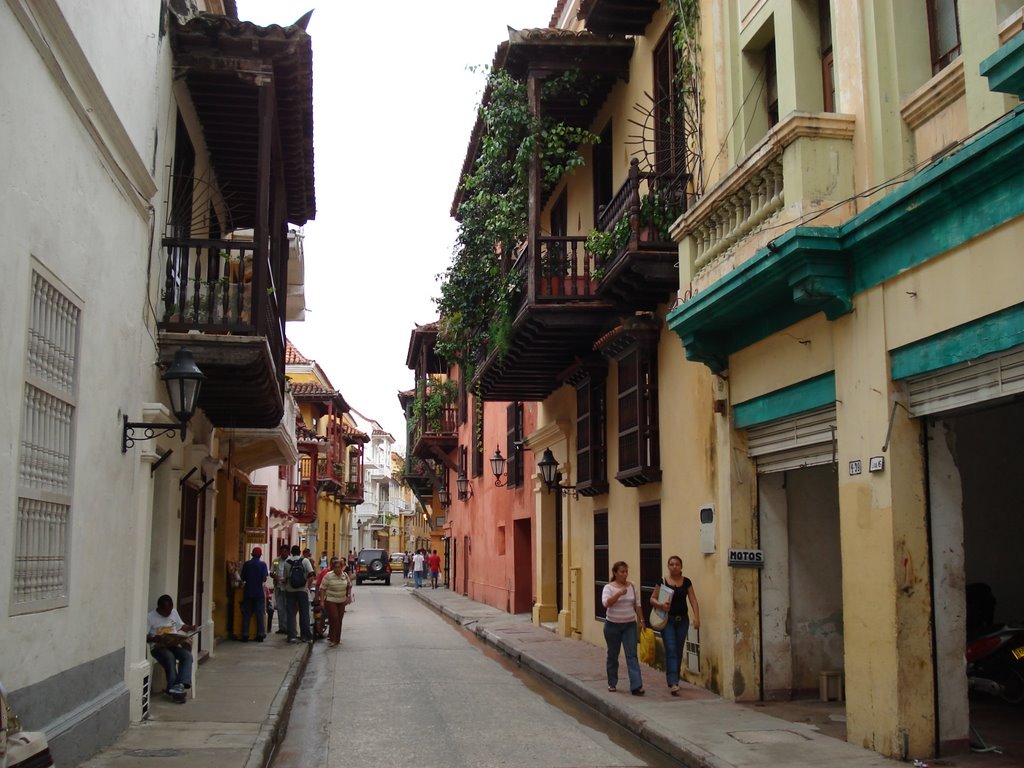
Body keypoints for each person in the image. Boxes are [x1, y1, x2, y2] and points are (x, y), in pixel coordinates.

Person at [650, 555, 701, 695]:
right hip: (668, 621)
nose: (674, 566)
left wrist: (697, 617)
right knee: (671, 649)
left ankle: (674, 678)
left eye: (677, 564)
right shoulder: (662, 582)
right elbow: (652, 599)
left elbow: (693, 600)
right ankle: (673, 682)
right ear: (668, 566)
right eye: (671, 564)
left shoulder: (686, 582)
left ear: (681, 566)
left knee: (678, 650)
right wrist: (660, 604)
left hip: (682, 620)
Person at [601, 561, 645, 696]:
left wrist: (641, 620)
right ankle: (612, 682)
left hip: (629, 625)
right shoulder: (608, 588)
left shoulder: (632, 586)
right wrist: (619, 593)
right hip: (612, 625)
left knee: (631, 655)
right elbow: (606, 603)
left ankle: (636, 685)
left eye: (626, 571)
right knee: (613, 655)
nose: (625, 574)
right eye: (622, 572)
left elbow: (637, 605)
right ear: (615, 573)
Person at [147, 594, 195, 701]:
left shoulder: (173, 612)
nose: (168, 613)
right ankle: (175, 691)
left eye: (170, 611)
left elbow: (181, 626)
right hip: (158, 647)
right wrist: (157, 639)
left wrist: (191, 628)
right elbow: (145, 637)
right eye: (166, 612)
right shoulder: (150, 617)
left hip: (173, 644)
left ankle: (179, 685)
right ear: (159, 608)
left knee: (187, 656)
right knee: (169, 657)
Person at [284, 545, 314, 644]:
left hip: (290, 591)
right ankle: (305, 636)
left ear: (291, 552)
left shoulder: (287, 563)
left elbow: (286, 578)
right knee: (304, 613)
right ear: (300, 552)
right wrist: (307, 587)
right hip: (302, 590)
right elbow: (311, 575)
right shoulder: (305, 561)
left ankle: (291, 636)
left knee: (291, 614)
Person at [320, 558, 354, 647]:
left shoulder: (344, 575)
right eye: (335, 567)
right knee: (334, 617)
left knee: (339, 619)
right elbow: (322, 588)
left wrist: (348, 597)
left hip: (341, 600)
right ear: (333, 568)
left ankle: (337, 639)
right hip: (331, 600)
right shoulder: (328, 576)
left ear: (341, 567)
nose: (337, 569)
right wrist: (322, 601)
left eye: (339, 567)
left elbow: (349, 586)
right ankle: (333, 639)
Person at [239, 546, 269, 642]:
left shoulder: (247, 564)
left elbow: (242, 578)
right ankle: (260, 634)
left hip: (248, 591)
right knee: (259, 614)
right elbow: (264, 579)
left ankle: (245, 634)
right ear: (260, 555)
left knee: (247, 614)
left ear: (252, 554)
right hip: (258, 592)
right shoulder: (263, 565)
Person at [273, 544, 290, 634]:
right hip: (279, 587)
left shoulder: (290, 561)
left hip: (287, 588)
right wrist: (275, 576)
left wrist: (287, 579)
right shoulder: (276, 561)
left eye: (285, 551)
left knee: (288, 607)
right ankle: (282, 627)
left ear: (288, 552)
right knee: (280, 608)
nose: (283, 553)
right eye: (282, 551)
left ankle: (288, 627)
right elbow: (273, 571)